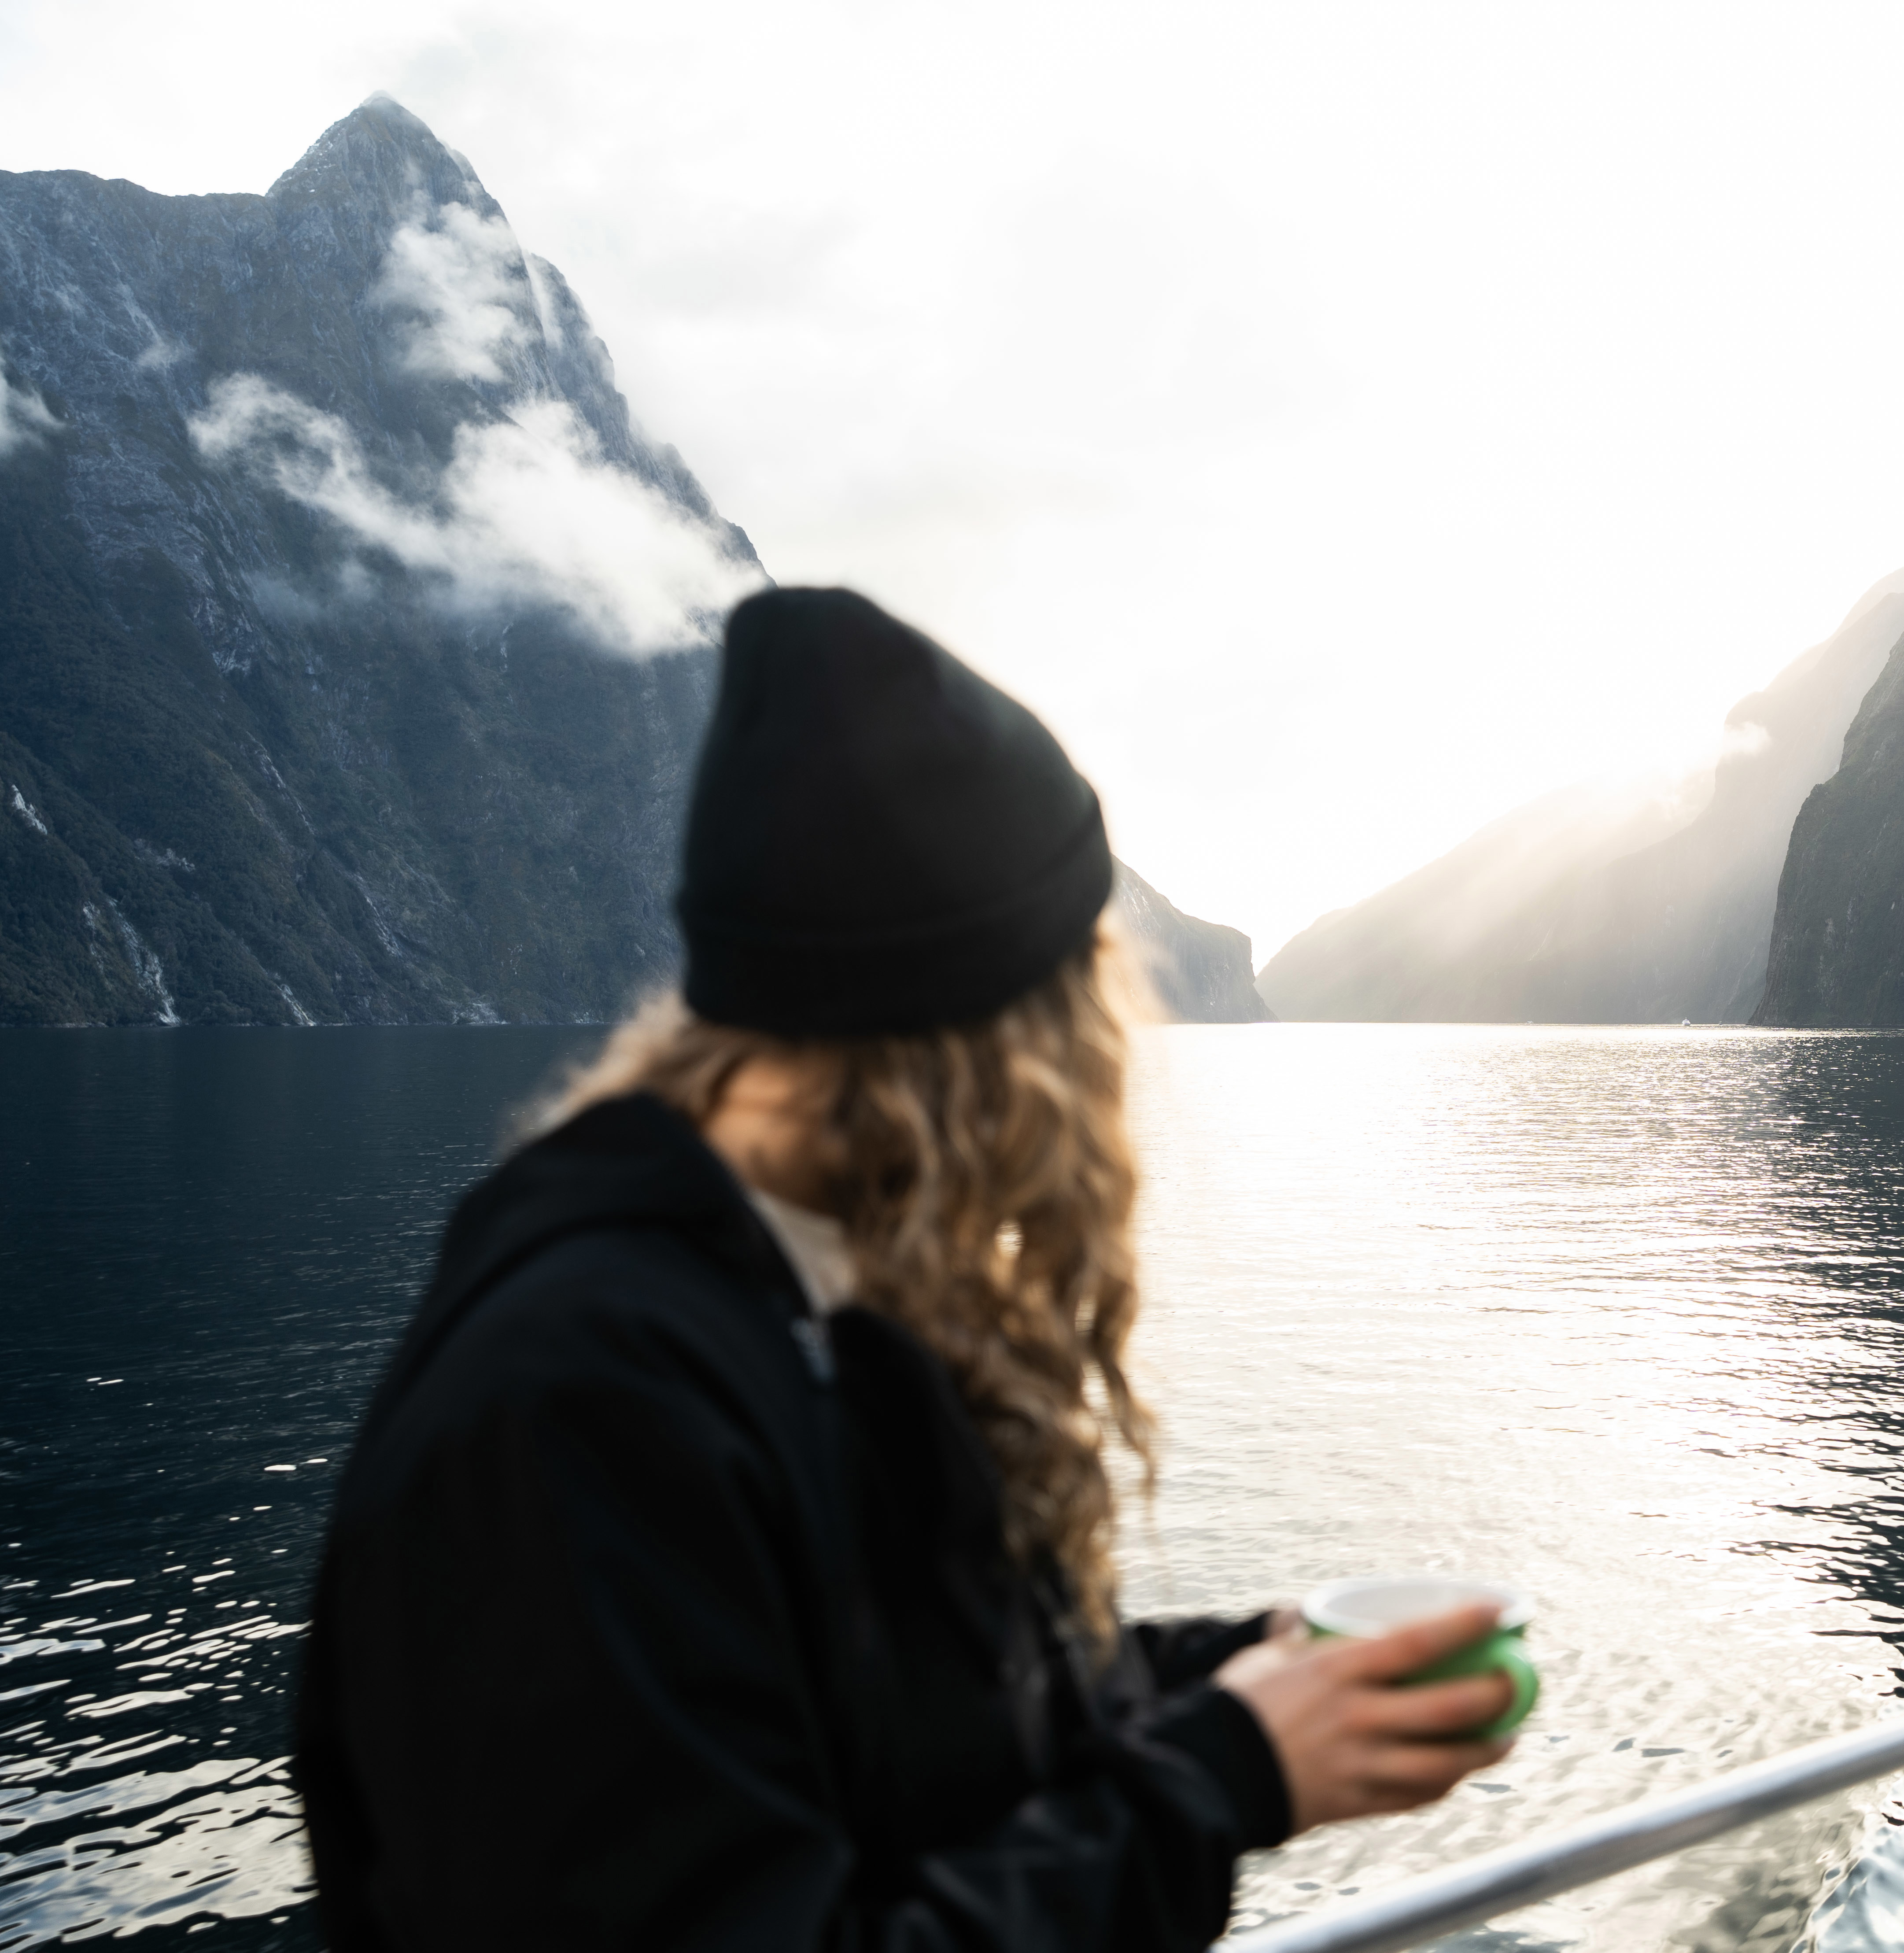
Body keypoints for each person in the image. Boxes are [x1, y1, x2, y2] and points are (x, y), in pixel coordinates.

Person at [295, 589, 1513, 1952]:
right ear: (978, 1041)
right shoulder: (575, 1408)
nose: (1103, 1067)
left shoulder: (807, 1292)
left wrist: (1238, 1668)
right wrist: (1227, 1771)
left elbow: (926, 1712)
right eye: (1077, 1003)